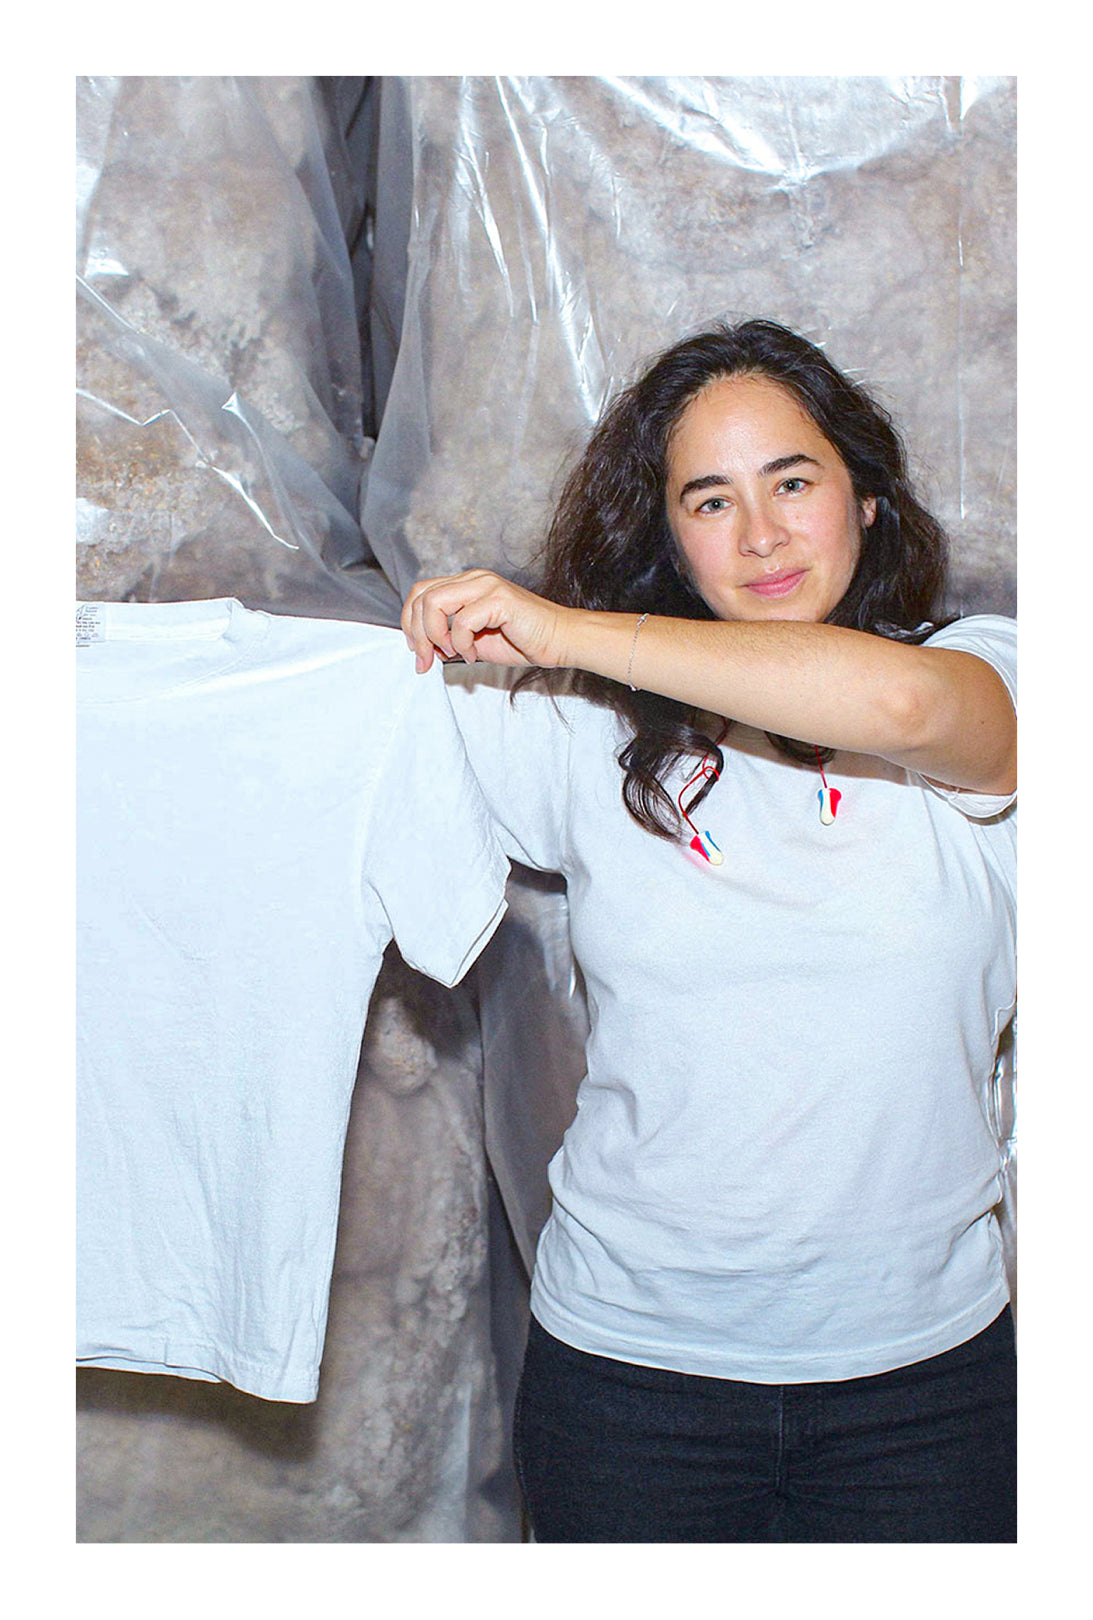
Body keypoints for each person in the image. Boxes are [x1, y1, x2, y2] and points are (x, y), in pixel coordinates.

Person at [400, 319, 1017, 1543]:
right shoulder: (581, 731)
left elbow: (895, 703)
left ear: (869, 498)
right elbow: (315, 740)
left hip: (926, 1385)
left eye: (793, 482)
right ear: (670, 538)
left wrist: (558, 627)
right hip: (631, 1386)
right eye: (709, 500)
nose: (762, 535)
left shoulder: (982, 668)